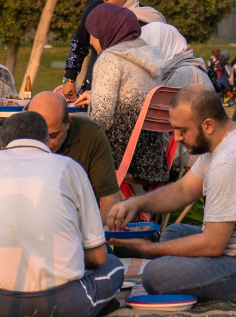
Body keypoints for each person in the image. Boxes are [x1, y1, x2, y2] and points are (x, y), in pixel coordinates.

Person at [106, 85, 236, 304]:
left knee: (155, 275)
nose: (177, 137)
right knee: (175, 232)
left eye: (182, 130)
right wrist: (136, 203)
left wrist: (153, 250)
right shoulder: (230, 137)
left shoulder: (229, 161)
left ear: (208, 125)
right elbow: (184, 190)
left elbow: (212, 244)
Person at [0, 111, 125, 317]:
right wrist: (64, 254)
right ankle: (96, 303)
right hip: (66, 304)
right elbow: (99, 258)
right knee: (113, 264)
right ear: (47, 141)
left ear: (2, 145)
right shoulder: (71, 168)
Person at [89, 11, 209, 190]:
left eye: (92, 34)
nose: (90, 41)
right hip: (153, 160)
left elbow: (101, 120)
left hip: (126, 159)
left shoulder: (111, 59)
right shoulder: (156, 65)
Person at [25, 91, 123, 214]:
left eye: (53, 135)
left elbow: (111, 200)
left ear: (68, 122)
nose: (46, 144)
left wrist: (89, 231)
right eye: (38, 135)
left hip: (78, 226)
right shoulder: (8, 137)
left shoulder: (91, 135)